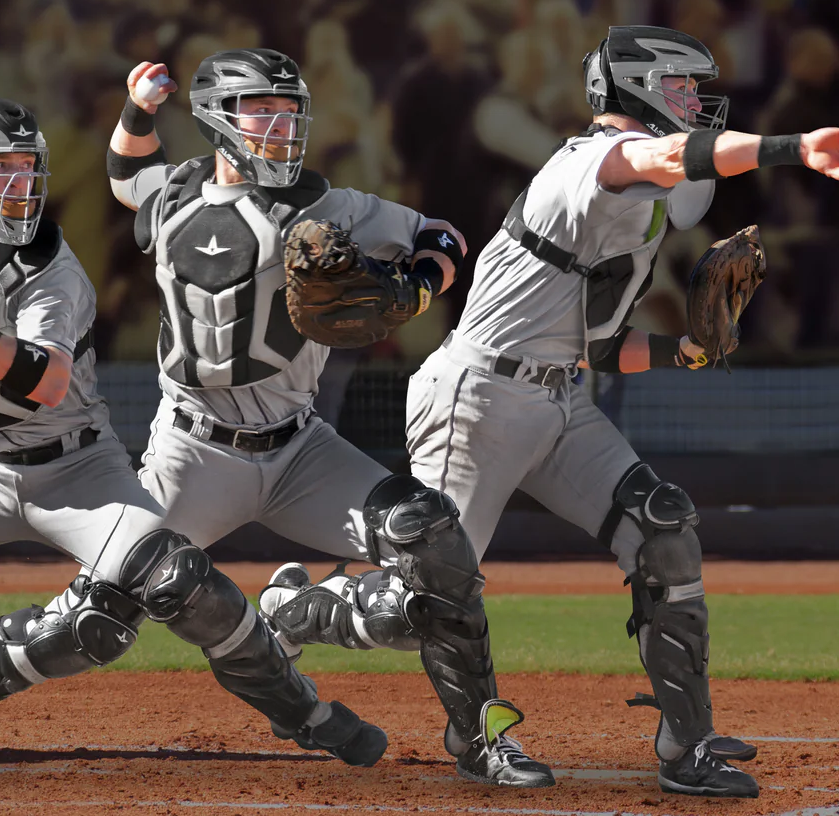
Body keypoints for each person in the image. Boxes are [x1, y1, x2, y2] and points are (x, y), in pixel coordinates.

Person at [0, 47, 553, 788]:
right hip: (192, 452)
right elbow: (123, 173)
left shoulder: (328, 206)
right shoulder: (173, 194)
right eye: (262, 112)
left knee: (432, 538)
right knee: (92, 624)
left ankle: (479, 736)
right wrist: (139, 109)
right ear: (217, 118)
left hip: (302, 448)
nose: (281, 129)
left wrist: (417, 288)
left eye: (289, 113)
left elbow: (443, 235)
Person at [265, 25, 839, 798]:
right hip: (477, 398)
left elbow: (599, 347)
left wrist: (686, 352)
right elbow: (666, 156)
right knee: (423, 603)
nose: (697, 105)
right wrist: (792, 147)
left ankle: (687, 744)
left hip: (559, 397)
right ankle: (297, 612)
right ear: (638, 90)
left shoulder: (639, 200)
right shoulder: (589, 163)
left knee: (663, 526)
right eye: (682, 89)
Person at [0, 91, 383, 773]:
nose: (20, 182)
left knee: (169, 590)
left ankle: (305, 714)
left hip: (76, 471)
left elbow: (42, 382)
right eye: (1, 166)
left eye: (27, 166)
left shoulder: (49, 264)